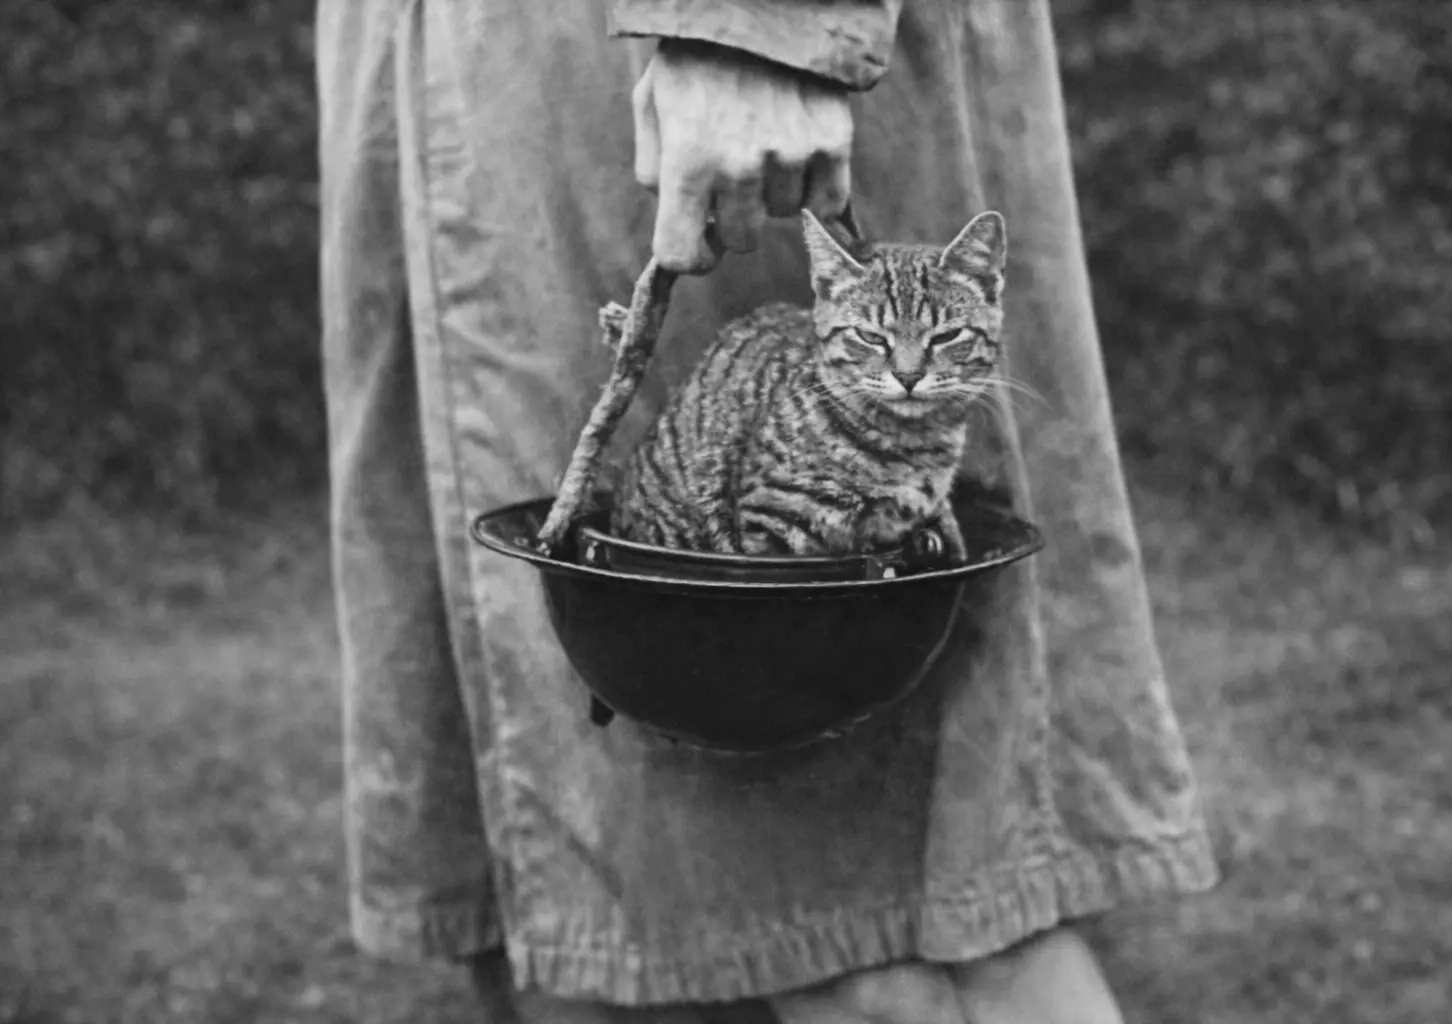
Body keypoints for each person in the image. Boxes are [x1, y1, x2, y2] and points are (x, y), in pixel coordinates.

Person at [316, 2, 1218, 1021]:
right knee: (576, 926)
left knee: (874, 932)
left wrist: (756, 26)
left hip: (680, 80)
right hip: (447, 96)